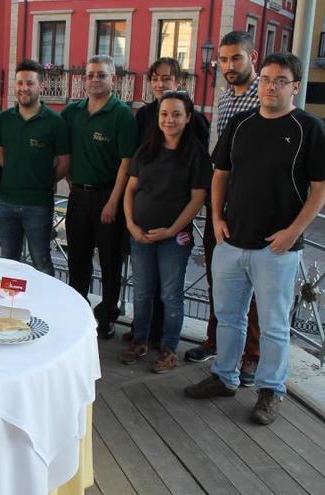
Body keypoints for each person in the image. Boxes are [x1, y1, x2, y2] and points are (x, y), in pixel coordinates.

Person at [185, 53, 325, 425]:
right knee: (228, 318)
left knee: (273, 325)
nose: (269, 86)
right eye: (265, 79)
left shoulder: (309, 128)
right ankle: (224, 377)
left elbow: (323, 189)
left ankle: (270, 391)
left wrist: (293, 232)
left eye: (279, 80)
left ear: (294, 87)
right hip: (232, 242)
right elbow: (220, 174)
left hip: (277, 249)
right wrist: (216, 218)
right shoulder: (240, 123)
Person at [184, 31, 264, 388]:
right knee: (220, 279)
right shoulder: (225, 97)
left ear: (253, 57)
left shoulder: (266, 95)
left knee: (253, 290)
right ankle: (216, 341)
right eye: (224, 60)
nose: (229, 66)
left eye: (236, 59)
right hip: (223, 204)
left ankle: (252, 356)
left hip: (254, 207)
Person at [120, 91, 212, 373]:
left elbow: (197, 199)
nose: (169, 120)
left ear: (187, 118)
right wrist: (131, 224)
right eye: (164, 114)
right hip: (141, 235)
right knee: (142, 292)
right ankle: (140, 340)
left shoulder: (196, 154)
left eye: (176, 114)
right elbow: (130, 189)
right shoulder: (146, 149)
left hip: (174, 239)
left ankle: (169, 348)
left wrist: (172, 230)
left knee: (171, 295)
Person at [61, 55, 137, 338]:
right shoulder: (72, 112)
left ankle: (106, 315)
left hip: (108, 197)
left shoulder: (122, 115)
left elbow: (126, 164)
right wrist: (70, 180)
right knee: (77, 259)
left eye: (101, 75)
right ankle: (78, 310)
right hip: (79, 197)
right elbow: (64, 150)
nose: (95, 79)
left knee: (109, 261)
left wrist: (114, 201)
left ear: (113, 79)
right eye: (90, 75)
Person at [0, 59, 70, 275]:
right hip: (6, 203)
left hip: (38, 205)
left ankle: (44, 307)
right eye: (19, 83)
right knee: (8, 261)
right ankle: (11, 305)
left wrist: (44, 179)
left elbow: (65, 162)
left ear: (40, 87)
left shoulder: (55, 122)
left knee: (42, 262)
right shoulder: (4, 119)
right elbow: (0, 152)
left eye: (29, 83)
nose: (23, 88)